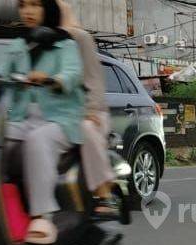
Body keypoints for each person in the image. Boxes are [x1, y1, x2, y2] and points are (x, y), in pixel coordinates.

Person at [0, 0, 84, 244]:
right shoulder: (16, 45)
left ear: (48, 10)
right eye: (23, 5)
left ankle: (42, 215)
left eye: (35, 5)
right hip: (19, 117)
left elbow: (74, 73)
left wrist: (52, 78)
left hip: (60, 119)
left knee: (37, 139)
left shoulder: (65, 45)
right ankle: (0, 203)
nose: (28, 11)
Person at [57, 0, 120, 217]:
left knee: (85, 128)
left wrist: (89, 109)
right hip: (50, 112)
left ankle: (104, 193)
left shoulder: (79, 38)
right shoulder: (30, 42)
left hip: (87, 112)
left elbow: (93, 81)